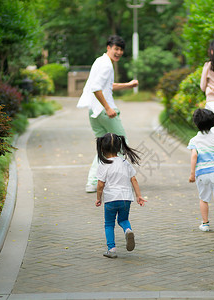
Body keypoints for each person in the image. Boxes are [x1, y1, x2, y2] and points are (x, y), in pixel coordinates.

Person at [77, 35, 138, 193]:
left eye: (121, 50)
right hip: (105, 112)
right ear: (108, 47)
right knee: (121, 144)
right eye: (116, 48)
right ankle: (123, 180)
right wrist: (108, 108)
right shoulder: (107, 65)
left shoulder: (100, 61)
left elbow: (107, 86)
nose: (118, 52)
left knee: (104, 149)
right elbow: (96, 88)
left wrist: (128, 85)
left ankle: (92, 183)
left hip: (94, 112)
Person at [95, 133, 147, 258]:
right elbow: (134, 180)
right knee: (123, 220)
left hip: (111, 199)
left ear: (102, 148)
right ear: (119, 148)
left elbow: (100, 184)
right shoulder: (125, 162)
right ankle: (128, 230)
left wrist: (98, 198)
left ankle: (111, 249)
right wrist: (139, 196)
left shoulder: (104, 164)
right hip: (126, 198)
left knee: (109, 224)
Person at [188, 108, 214, 232]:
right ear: (213, 122)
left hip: (202, 174)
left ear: (196, 124)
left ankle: (205, 224)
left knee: (204, 199)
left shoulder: (194, 140)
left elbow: (194, 156)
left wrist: (192, 174)